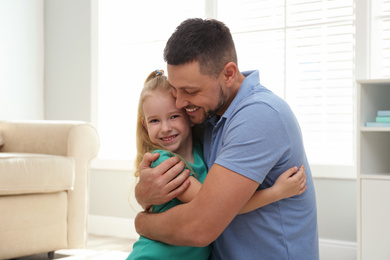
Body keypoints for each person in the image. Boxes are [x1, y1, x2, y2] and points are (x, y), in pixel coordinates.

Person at [134, 18, 319, 260]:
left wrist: (141, 222)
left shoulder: (259, 115)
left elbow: (199, 227)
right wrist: (144, 194)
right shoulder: (207, 114)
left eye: (190, 91)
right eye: (175, 89)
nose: (179, 102)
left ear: (229, 74)